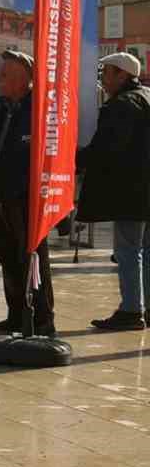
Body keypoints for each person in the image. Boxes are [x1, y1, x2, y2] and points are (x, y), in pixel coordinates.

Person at [0, 50, 54, 337]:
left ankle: (42, 319)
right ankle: (16, 314)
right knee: (7, 256)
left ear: (24, 79)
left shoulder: (38, 110)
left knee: (31, 259)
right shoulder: (4, 109)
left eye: (6, 74)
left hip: (24, 196)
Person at [81, 52, 150, 331]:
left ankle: (132, 310)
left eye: (107, 73)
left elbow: (107, 149)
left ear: (122, 75)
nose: (103, 80)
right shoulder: (147, 97)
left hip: (132, 189)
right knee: (146, 250)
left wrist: (73, 160)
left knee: (128, 250)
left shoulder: (121, 105)